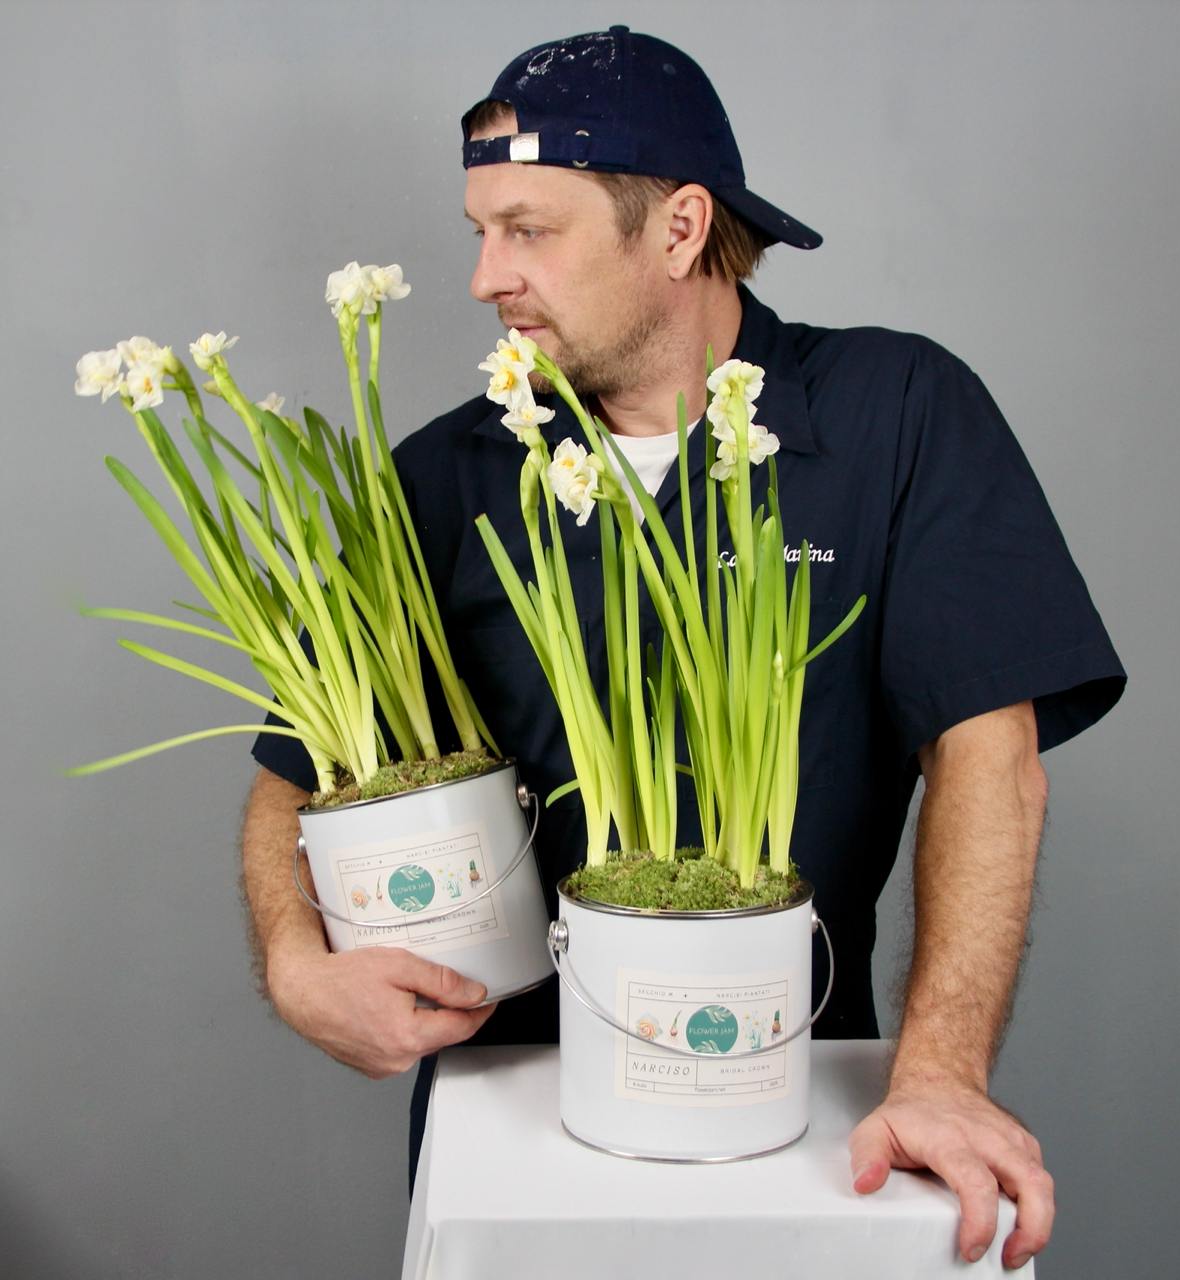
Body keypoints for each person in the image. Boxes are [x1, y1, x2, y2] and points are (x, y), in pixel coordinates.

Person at [243, 25, 1125, 1272]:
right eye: (478, 232)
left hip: (806, 1103)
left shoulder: (892, 416)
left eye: (530, 230)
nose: (488, 276)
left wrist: (937, 1070)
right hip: (513, 1116)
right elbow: (298, 763)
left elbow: (993, 756)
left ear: (675, 227)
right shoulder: (448, 471)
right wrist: (293, 960)